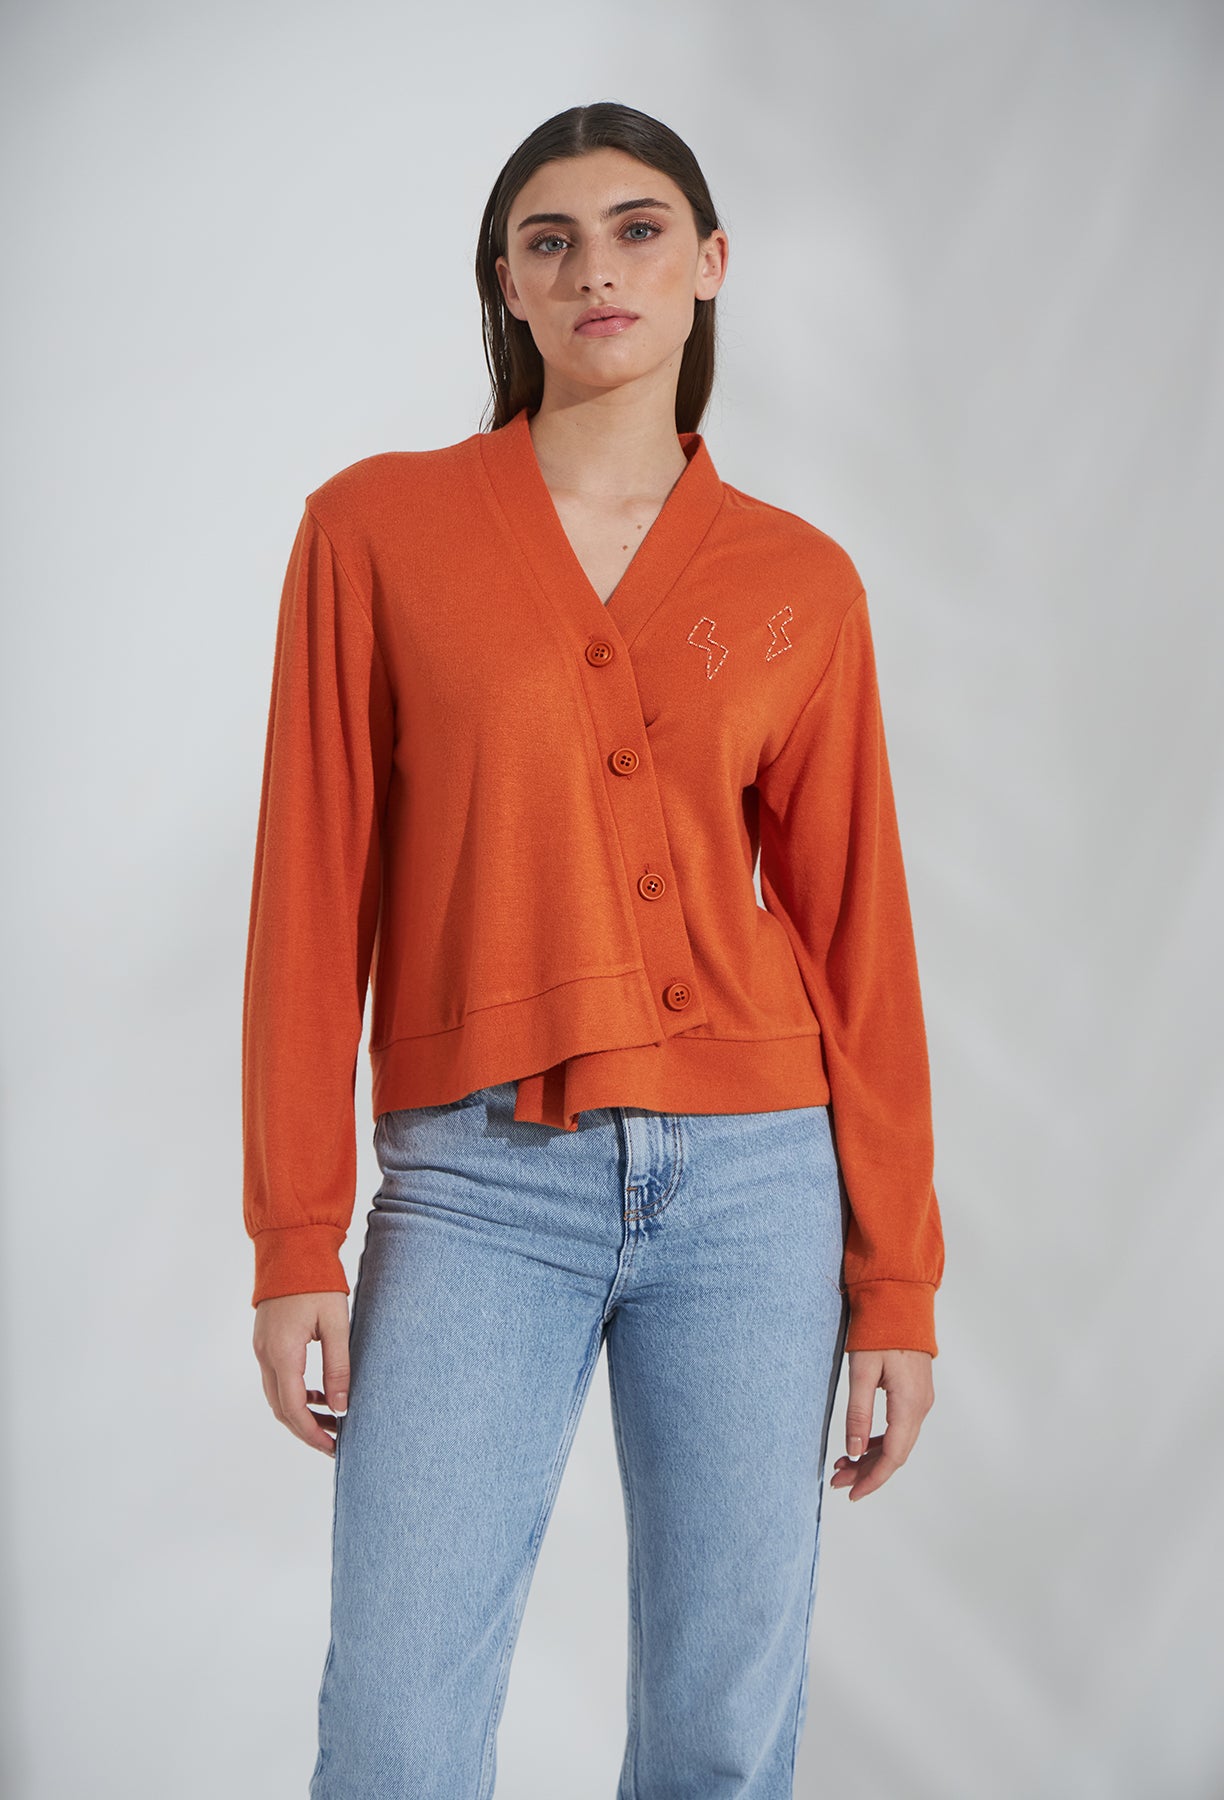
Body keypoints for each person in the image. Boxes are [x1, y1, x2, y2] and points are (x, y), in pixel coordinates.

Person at [243, 100, 945, 1799]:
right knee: (396, 1733)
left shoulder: (800, 582)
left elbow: (859, 937)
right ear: (509, 284)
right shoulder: (374, 533)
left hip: (761, 1187)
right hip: (478, 1183)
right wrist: (293, 1238)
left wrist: (898, 1281)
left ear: (710, 266)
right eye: (549, 241)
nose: (596, 270)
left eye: (639, 230)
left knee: (718, 1736)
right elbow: (309, 895)